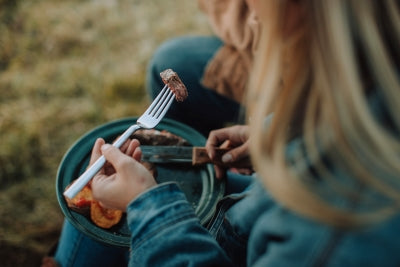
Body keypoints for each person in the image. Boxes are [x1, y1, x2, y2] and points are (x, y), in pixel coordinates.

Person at [47, 0, 400, 266]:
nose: (252, 20)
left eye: (260, 17)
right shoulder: (378, 77)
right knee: (91, 195)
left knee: (89, 216)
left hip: (229, 242)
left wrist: (148, 208)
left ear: (300, 15)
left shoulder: (326, 240)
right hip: (250, 208)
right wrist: (277, 133)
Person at [146, 0, 259, 137]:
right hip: (254, 52)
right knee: (170, 63)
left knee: (174, 63)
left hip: (280, 78)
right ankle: (194, 147)